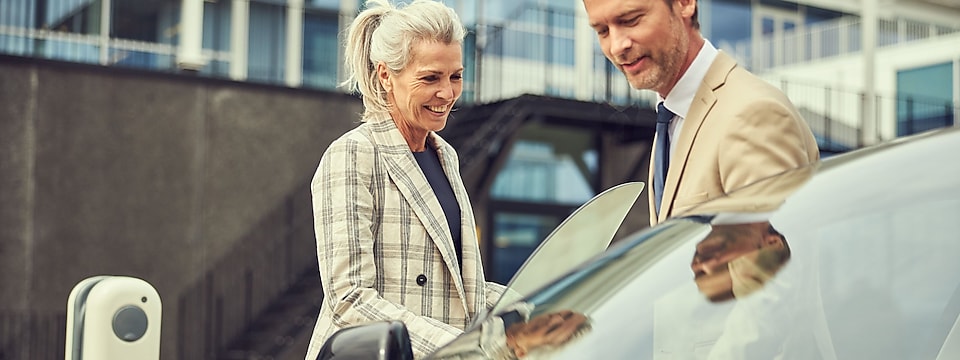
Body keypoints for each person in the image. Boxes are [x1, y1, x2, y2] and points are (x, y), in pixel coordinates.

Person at [303, 1, 505, 359]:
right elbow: (350, 299)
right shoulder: (354, 154)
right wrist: (458, 347)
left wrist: (538, 304)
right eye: (430, 78)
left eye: (455, 76)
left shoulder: (446, 156)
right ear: (385, 75)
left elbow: (459, 289)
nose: (447, 93)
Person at [581, 0, 821, 226]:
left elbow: (769, 267)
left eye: (631, 20)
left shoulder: (752, 114)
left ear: (685, 3)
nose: (616, 46)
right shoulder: (673, 115)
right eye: (602, 31)